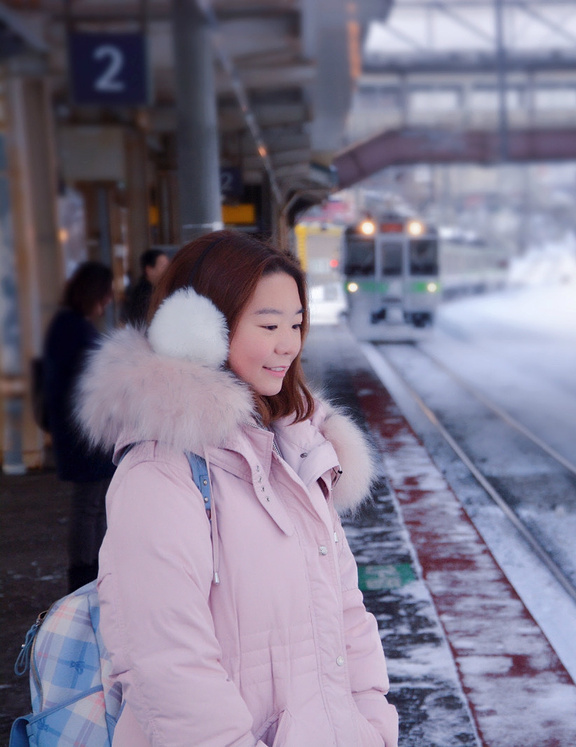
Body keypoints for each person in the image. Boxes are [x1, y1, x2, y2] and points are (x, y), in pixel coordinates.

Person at [76, 231, 398, 746]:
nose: (288, 343)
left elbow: (346, 616)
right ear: (200, 329)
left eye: (295, 324)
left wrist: (373, 727)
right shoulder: (160, 474)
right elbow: (166, 665)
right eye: (268, 325)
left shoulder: (297, 452)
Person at [42, 261, 116, 592]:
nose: (111, 298)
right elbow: (84, 382)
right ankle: (85, 570)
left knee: (94, 501)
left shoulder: (66, 325)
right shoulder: (75, 328)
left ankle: (90, 565)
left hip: (77, 429)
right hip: (84, 432)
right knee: (90, 503)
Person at [121, 248, 169, 326]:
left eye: (168, 265)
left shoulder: (156, 290)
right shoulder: (143, 295)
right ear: (149, 270)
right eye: (163, 266)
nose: (167, 270)